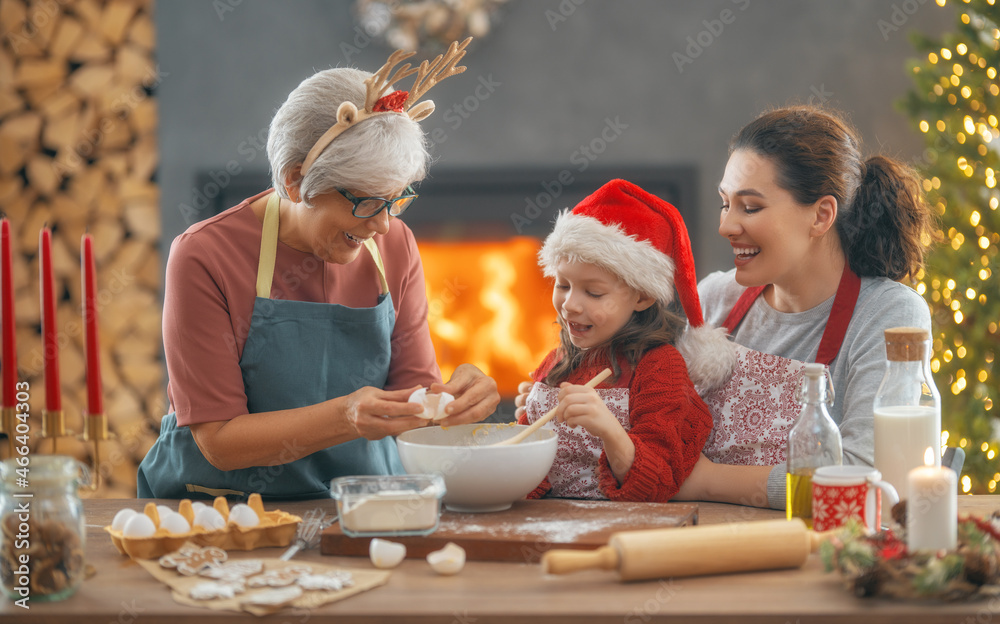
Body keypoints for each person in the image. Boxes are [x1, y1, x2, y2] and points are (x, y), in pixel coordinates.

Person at [138, 38, 500, 500]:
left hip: (362, 502)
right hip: (224, 510)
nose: (383, 223)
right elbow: (219, 441)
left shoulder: (395, 244)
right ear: (294, 180)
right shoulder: (204, 255)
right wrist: (345, 417)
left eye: (395, 200)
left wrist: (455, 400)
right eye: (366, 201)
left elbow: (414, 396)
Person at [672, 105, 935, 510]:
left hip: (814, 551)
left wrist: (706, 480)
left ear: (821, 215)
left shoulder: (889, 316)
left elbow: (863, 479)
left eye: (751, 207)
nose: (726, 225)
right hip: (701, 541)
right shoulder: (712, 298)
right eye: (725, 203)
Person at [514, 179, 722, 502]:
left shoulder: (660, 368)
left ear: (641, 297)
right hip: (551, 525)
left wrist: (610, 430)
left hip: (622, 536)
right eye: (563, 284)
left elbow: (659, 485)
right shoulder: (557, 361)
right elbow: (529, 469)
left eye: (593, 292)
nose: (569, 304)